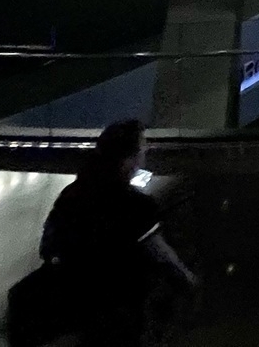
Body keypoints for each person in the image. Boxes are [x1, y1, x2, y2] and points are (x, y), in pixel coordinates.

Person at [37, 120, 197, 345]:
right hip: (120, 313)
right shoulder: (136, 205)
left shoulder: (71, 195)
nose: (147, 150)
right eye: (143, 146)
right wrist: (190, 281)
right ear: (130, 158)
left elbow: (49, 245)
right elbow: (162, 256)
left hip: (75, 309)